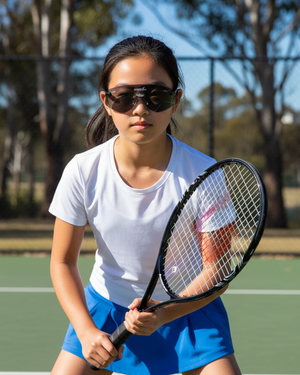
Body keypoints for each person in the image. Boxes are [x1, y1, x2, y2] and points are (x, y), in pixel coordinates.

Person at [49, 35, 241, 375]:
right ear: (106, 101)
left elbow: (217, 271)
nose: (140, 109)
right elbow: (62, 262)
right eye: (124, 97)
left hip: (187, 310)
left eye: (156, 96)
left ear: (176, 100)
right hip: (105, 309)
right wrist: (85, 330)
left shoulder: (205, 173)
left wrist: (166, 311)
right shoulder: (82, 170)